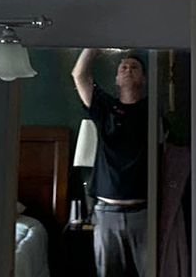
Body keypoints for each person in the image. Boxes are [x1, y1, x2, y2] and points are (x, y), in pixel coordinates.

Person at [72, 48, 148, 277]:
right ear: (116, 78)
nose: (128, 69)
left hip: (144, 213)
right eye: (123, 66)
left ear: (143, 79)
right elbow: (79, 75)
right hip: (106, 213)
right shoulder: (105, 109)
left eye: (135, 67)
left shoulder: (152, 110)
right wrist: (95, 45)